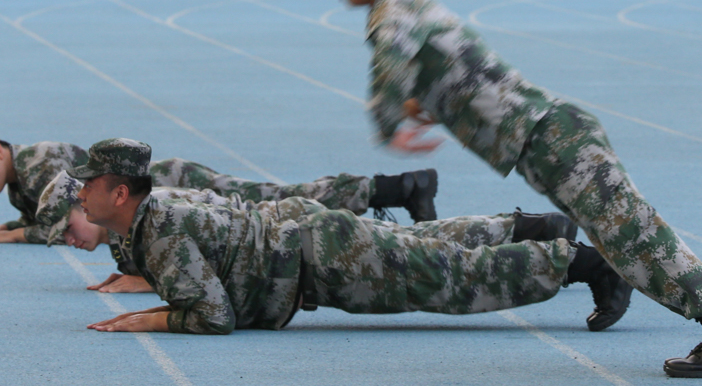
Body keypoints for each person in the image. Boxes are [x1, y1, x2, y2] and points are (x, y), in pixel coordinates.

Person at [301, 0, 702, 374]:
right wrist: (423, 107)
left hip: (554, 142)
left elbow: (389, 79)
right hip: (550, 141)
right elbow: (447, 74)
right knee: (624, 237)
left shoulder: (393, 14)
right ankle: (695, 316)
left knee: (636, 235)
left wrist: (387, 120)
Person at [66, 140, 631, 335]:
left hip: (326, 261)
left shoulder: (157, 227)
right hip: (314, 238)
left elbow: (213, 315)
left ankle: (582, 265)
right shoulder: (153, 210)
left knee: (449, 279)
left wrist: (154, 318)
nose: (79, 196)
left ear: (119, 193)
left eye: (87, 186)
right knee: (432, 246)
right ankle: (529, 230)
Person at [0, 121, 439, 246]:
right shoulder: (21, 183)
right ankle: (398, 189)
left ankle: (398, 187)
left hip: (173, 186)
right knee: (280, 201)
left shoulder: (39, 165)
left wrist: (14, 234)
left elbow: (64, 221)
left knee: (280, 200)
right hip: (161, 191)